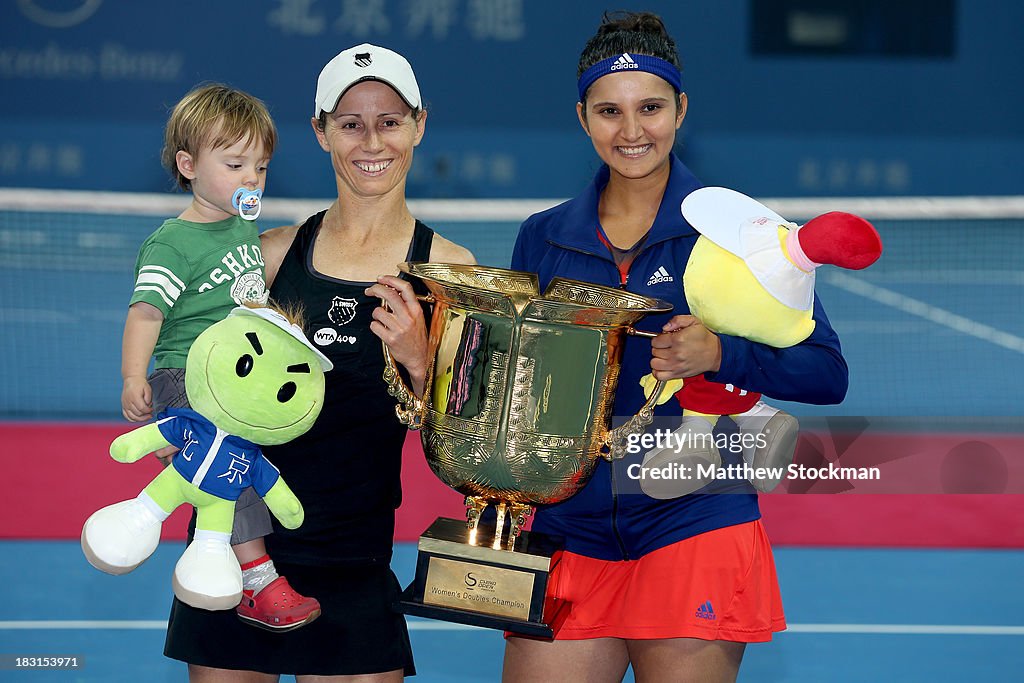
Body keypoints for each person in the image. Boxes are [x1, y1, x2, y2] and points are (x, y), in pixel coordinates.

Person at [504, 12, 848, 683]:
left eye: (651, 108)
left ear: (681, 108)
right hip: (567, 531)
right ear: (583, 117)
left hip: (695, 522)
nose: (631, 131)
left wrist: (723, 354)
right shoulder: (542, 237)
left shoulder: (740, 232)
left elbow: (827, 372)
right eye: (609, 111)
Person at [163, 43, 475, 681]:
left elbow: (466, 447)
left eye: (390, 121)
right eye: (350, 122)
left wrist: (420, 363)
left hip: (353, 563)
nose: (371, 140)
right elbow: (193, 362)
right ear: (321, 131)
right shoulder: (269, 256)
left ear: (420, 125)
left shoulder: (449, 273)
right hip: (241, 552)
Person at [121, 83, 322, 632]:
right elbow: (145, 314)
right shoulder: (173, 244)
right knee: (228, 462)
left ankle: (219, 562)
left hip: (229, 380)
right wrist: (134, 377)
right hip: (183, 377)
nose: (251, 179)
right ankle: (257, 578)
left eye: (259, 167)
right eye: (235, 164)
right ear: (188, 165)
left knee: (238, 470)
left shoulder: (243, 229)